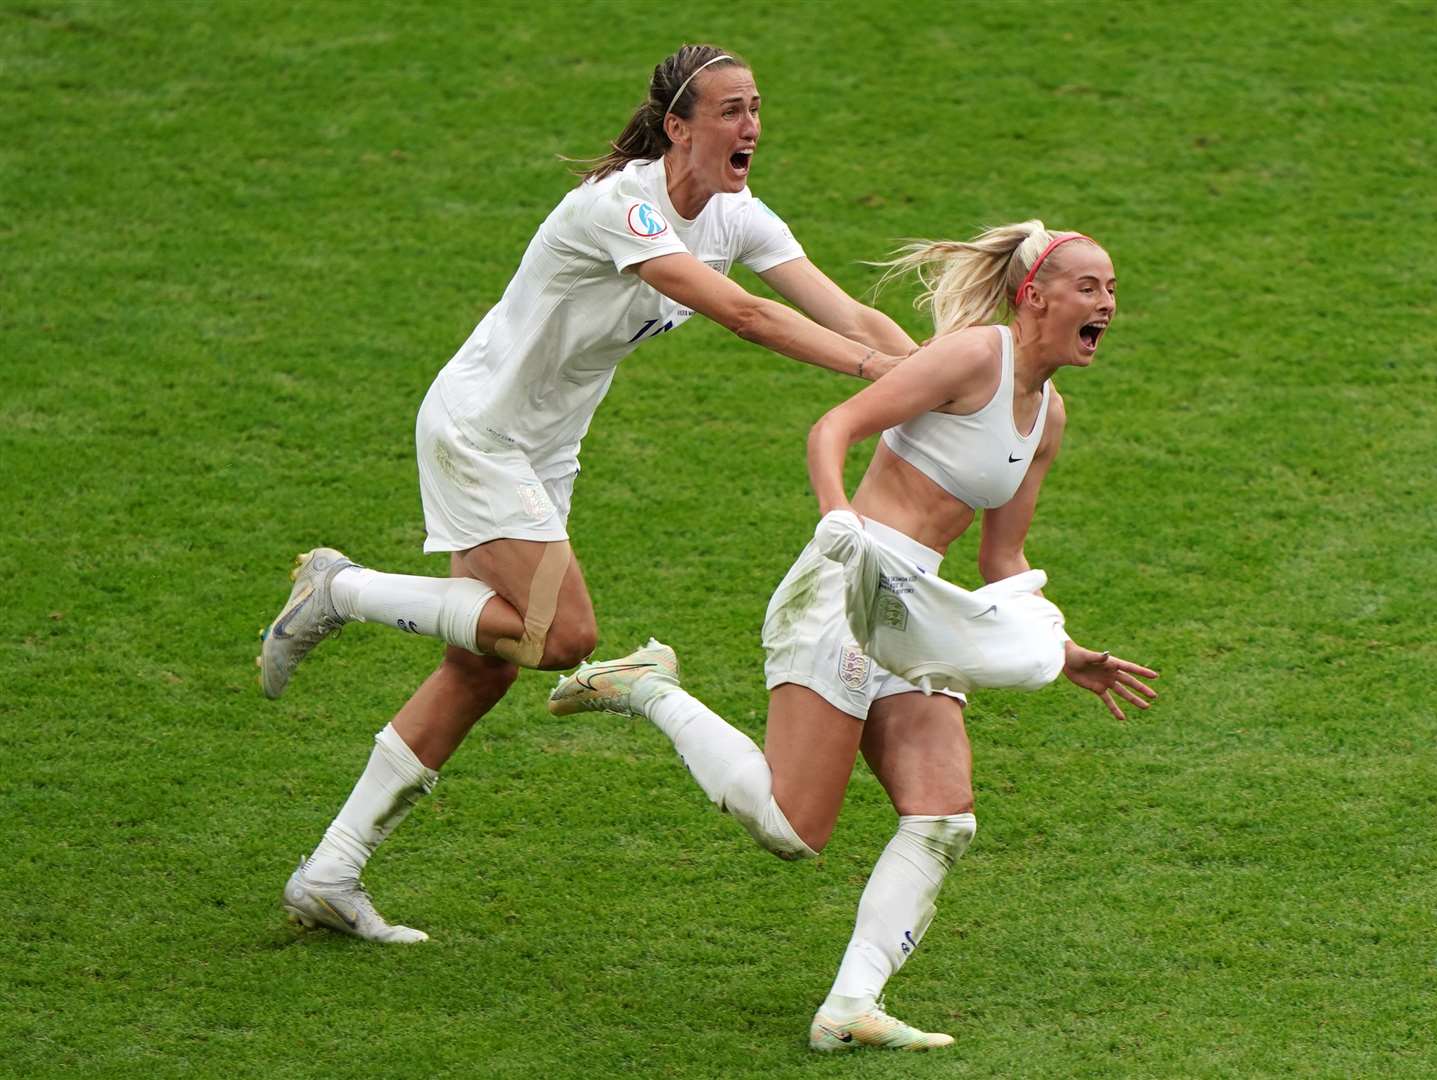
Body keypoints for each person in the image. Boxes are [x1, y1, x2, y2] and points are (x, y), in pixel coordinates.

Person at [258, 44, 921, 944]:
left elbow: (847, 312)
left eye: (757, 108)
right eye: (730, 110)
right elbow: (748, 315)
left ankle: (329, 873)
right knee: (560, 635)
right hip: (481, 429)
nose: (752, 126)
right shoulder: (624, 208)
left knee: (483, 662)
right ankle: (337, 589)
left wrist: (933, 380)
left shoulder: (738, 215)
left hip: (544, 449)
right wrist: (876, 372)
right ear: (678, 125)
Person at [549, 222, 1160, 1051]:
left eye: (1113, 289)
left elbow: (1002, 555)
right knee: (791, 830)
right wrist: (841, 520)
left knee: (944, 816)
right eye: (1091, 288)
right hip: (842, 585)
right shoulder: (974, 357)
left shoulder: (1049, 415)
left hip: (916, 610)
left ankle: (848, 1008)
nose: (1108, 304)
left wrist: (1063, 649)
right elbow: (832, 429)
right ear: (1036, 298)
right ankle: (647, 686)